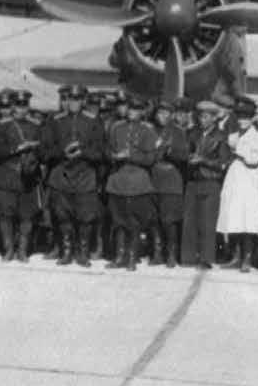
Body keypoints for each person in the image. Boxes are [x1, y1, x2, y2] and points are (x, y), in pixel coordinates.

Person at [41, 84, 105, 267]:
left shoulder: (94, 120)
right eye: (70, 99)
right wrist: (62, 152)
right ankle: (67, 251)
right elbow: (44, 151)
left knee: (85, 217)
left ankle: (82, 252)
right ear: (66, 100)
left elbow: (101, 151)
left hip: (85, 175)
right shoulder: (55, 120)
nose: (73, 103)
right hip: (61, 175)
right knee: (63, 216)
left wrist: (83, 152)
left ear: (83, 100)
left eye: (77, 99)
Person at [105, 95, 157, 270]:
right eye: (130, 108)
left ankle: (132, 257)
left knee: (134, 222)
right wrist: (113, 156)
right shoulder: (116, 128)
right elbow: (108, 149)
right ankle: (120, 256)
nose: (131, 112)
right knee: (118, 221)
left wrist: (130, 156)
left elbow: (150, 158)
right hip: (118, 180)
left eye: (136, 109)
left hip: (137, 182)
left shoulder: (148, 130)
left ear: (142, 112)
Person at [0, 90, 43, 262]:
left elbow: (44, 150)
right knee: (5, 214)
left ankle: (22, 250)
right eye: (19, 105)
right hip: (7, 175)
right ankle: (8, 249)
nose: (22, 109)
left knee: (26, 215)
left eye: (25, 105)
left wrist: (35, 150)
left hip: (28, 177)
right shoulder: (3, 125)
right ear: (13, 106)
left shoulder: (36, 126)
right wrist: (15, 149)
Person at [216, 97, 258, 272]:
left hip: (250, 181)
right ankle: (235, 256)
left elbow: (253, 159)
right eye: (240, 117)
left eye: (246, 118)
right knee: (233, 217)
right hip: (234, 178)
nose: (243, 121)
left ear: (252, 119)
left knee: (248, 219)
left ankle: (247, 258)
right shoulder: (233, 136)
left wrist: (237, 150)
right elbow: (225, 155)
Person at [181, 101, 231, 268]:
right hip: (192, 181)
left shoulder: (221, 137)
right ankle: (188, 257)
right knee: (189, 220)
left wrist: (203, 160)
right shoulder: (192, 134)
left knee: (207, 222)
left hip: (210, 182)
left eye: (206, 117)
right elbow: (185, 152)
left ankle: (206, 258)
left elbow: (223, 163)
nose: (202, 120)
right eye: (200, 116)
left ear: (214, 118)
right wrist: (188, 158)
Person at [149, 99, 188, 268]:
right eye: (159, 113)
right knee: (154, 219)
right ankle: (157, 252)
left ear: (172, 115)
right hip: (153, 179)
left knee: (169, 220)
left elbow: (184, 155)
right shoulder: (150, 130)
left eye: (166, 113)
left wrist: (169, 150)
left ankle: (171, 253)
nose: (162, 116)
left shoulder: (178, 132)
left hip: (171, 180)